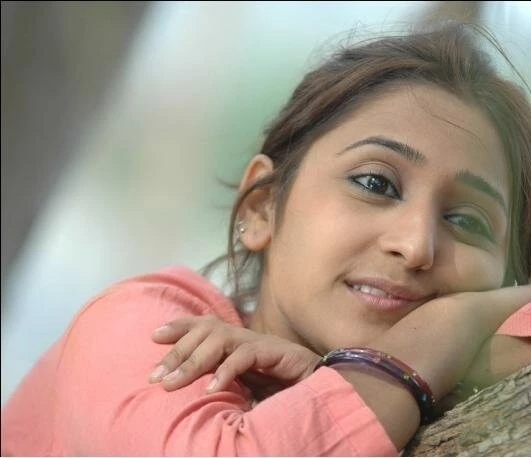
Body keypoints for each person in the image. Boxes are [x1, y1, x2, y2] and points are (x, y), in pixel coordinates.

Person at [2, 21, 531, 456]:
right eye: (375, 183)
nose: (416, 246)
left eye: (468, 221)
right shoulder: (146, 327)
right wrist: (436, 334)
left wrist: (328, 378)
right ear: (262, 208)